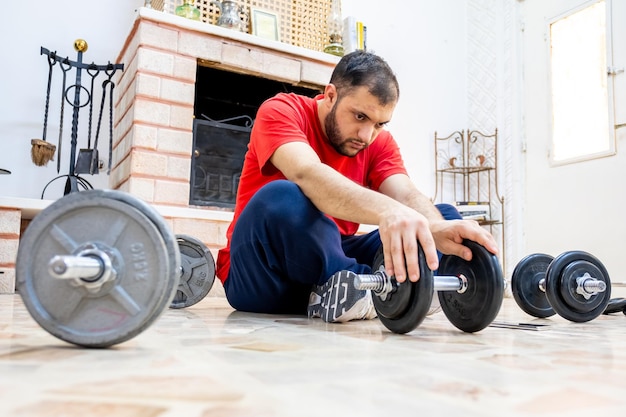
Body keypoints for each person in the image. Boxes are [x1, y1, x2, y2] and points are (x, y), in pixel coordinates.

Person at [216, 50, 498, 323]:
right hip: (262, 272)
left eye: (379, 124)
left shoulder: (377, 141)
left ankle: (401, 288)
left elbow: (405, 192)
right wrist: (390, 211)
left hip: (328, 267)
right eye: (360, 117)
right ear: (330, 95)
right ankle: (374, 292)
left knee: (441, 216)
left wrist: (434, 227)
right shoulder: (282, 111)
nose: (367, 135)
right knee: (283, 196)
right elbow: (308, 174)